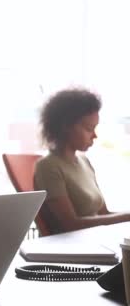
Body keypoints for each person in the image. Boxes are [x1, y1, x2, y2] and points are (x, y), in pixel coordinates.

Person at [34, 88, 130, 234]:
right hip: (75, 249)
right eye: (89, 128)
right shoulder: (48, 166)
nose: (95, 135)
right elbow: (70, 224)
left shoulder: (84, 162)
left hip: (97, 240)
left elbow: (104, 214)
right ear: (65, 126)